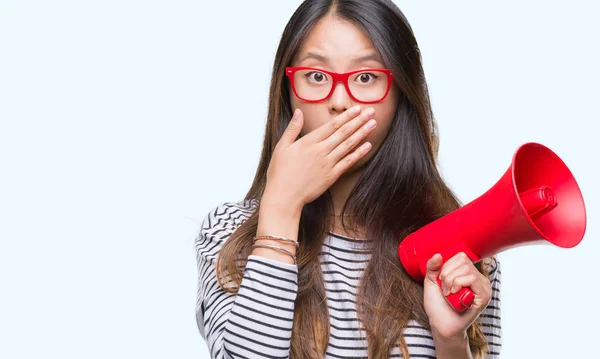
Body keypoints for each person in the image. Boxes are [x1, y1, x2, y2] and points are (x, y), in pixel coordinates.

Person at [195, 1, 501, 358]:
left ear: (402, 92)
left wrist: (451, 342)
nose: (339, 102)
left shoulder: (457, 249)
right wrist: (281, 207)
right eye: (317, 76)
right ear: (287, 89)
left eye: (366, 77)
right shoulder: (228, 232)